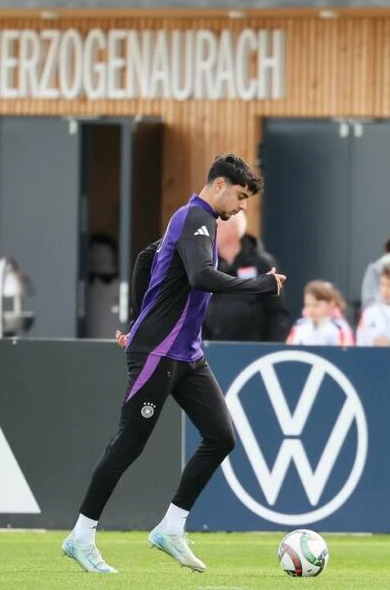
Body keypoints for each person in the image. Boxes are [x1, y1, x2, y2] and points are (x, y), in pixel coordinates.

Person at [63, 153, 286, 574]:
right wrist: (259, 284)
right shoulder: (194, 218)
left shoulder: (195, 222)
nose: (241, 207)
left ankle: (171, 527)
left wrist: (134, 319)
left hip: (188, 355)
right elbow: (201, 277)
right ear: (219, 185)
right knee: (129, 443)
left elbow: (147, 258)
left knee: (221, 437)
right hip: (158, 351)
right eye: (239, 197)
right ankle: (81, 536)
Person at [203, 212, 291, 342]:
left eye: (215, 226)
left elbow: (277, 312)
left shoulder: (262, 263)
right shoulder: (207, 263)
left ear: (232, 230)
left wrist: (271, 349)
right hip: (211, 350)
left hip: (252, 352)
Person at [287, 280, 354, 346]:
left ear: (331, 304)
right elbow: (289, 349)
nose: (311, 310)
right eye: (307, 305)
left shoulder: (339, 328)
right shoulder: (299, 327)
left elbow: (346, 352)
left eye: (316, 305)